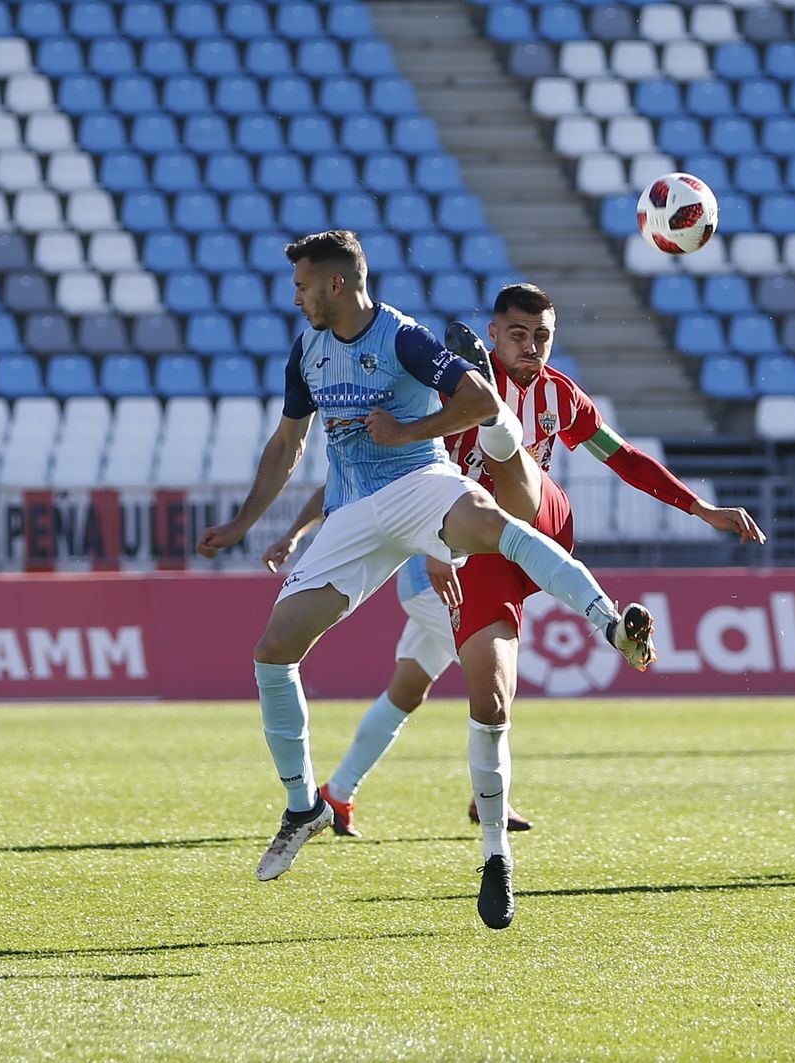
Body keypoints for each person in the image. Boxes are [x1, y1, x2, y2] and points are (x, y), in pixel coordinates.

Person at [195, 232, 654, 931]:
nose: (295, 296)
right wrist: (243, 522)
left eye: (303, 285)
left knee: (500, 528)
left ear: (339, 285)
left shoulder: (403, 337)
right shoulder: (307, 350)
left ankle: (609, 621)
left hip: (419, 486)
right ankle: (303, 806)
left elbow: (475, 400)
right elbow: (288, 443)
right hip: (352, 516)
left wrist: (408, 434)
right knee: (272, 652)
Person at [419, 284, 763, 913]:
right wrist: (431, 547)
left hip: (540, 516)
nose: (532, 347)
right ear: (493, 335)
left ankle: (608, 622)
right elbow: (418, 473)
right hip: (477, 551)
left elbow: (624, 457)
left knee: (512, 461)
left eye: (543, 335)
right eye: (518, 334)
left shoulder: (559, 394)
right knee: (491, 699)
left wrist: (702, 508)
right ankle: (497, 856)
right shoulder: (450, 388)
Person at [263, 506, 533, 836]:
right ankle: (490, 798)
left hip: (444, 580)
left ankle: (337, 793)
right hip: (438, 581)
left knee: (406, 691)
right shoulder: (444, 453)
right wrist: (294, 533)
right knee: (496, 685)